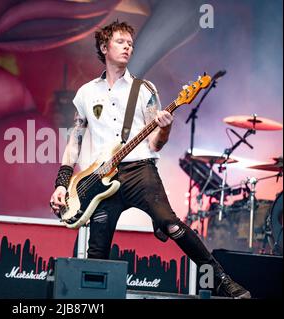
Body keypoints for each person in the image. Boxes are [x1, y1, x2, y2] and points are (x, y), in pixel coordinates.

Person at [49, 20, 251, 299]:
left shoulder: (143, 90)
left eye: (131, 43)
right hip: (99, 179)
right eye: (121, 42)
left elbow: (156, 143)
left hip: (139, 171)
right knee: (97, 249)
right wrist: (62, 182)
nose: (128, 47)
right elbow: (75, 140)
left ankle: (224, 282)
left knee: (171, 223)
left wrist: (165, 126)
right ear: (104, 47)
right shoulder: (86, 93)